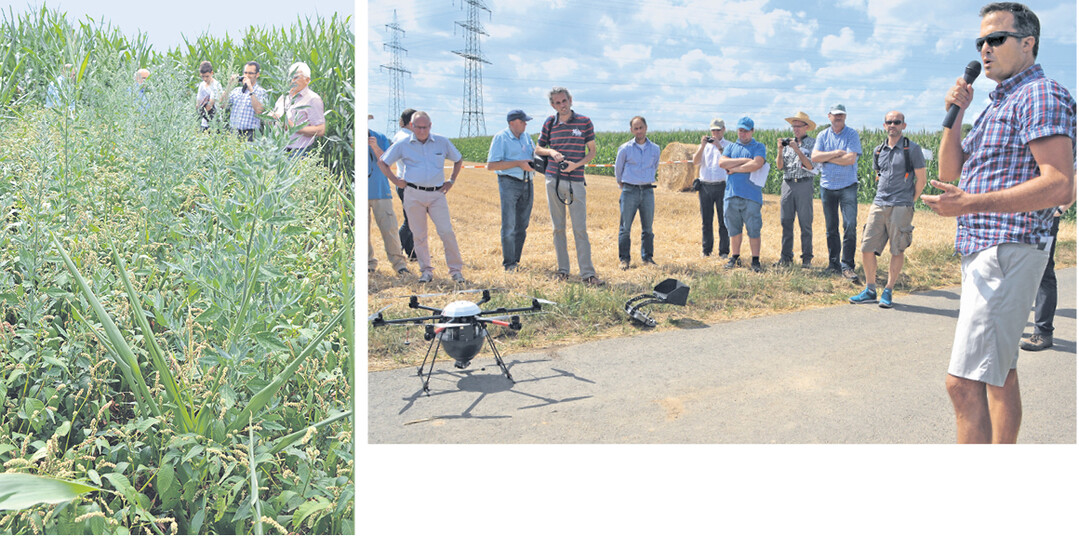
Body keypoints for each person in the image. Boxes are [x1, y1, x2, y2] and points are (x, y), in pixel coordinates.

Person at [922, 1, 1075, 443]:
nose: (985, 49)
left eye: (996, 39)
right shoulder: (996, 103)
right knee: (997, 374)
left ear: (1028, 44)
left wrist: (970, 206)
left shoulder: (1039, 94)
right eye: (980, 42)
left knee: (962, 383)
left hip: (1009, 246)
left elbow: (1060, 183)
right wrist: (956, 115)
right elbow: (951, 171)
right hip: (987, 248)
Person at [377, 111, 468, 284]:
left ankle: (456, 271)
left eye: (425, 127)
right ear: (411, 126)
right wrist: (395, 180)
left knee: (446, 232)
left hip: (437, 194)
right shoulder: (403, 144)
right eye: (418, 127)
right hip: (413, 194)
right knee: (419, 235)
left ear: (430, 126)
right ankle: (426, 271)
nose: (421, 131)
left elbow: (458, 159)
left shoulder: (442, 142)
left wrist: (451, 181)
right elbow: (383, 162)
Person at [849, 111, 927, 308]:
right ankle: (870, 290)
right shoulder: (878, 150)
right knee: (867, 247)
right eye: (889, 122)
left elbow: (922, 179)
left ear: (904, 125)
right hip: (879, 202)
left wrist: (910, 201)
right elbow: (878, 174)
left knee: (897, 248)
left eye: (897, 122)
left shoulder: (912, 149)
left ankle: (889, 290)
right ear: (884, 126)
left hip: (901, 205)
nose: (893, 125)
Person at [534, 87, 604, 286]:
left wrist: (576, 165)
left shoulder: (584, 122)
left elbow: (592, 152)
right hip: (553, 179)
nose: (562, 105)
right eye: (557, 103)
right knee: (558, 228)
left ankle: (587, 274)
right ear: (552, 105)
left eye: (564, 101)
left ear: (570, 100)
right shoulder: (549, 122)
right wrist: (552, 152)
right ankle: (563, 271)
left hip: (576, 180)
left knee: (580, 229)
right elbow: (538, 148)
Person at [812, 104, 862, 281]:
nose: (838, 117)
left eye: (841, 115)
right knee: (831, 228)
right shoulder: (822, 135)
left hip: (847, 186)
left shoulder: (852, 134)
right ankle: (833, 264)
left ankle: (847, 265)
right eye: (835, 115)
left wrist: (827, 158)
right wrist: (835, 154)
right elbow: (815, 157)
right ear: (829, 116)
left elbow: (850, 160)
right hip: (827, 187)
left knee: (849, 226)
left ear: (845, 117)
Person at [486, 109, 537, 272]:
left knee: (522, 225)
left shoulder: (527, 137)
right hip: (509, 183)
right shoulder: (501, 138)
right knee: (509, 225)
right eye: (523, 121)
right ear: (513, 122)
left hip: (528, 182)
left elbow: (534, 155)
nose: (525, 124)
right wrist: (518, 163)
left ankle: (516, 260)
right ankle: (509, 264)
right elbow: (491, 165)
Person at [717, 117, 768, 273]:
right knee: (733, 228)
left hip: (751, 196)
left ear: (752, 131)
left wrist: (734, 168)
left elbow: (757, 164)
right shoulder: (731, 147)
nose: (743, 134)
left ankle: (755, 259)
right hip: (732, 194)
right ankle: (735, 256)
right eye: (740, 130)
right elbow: (722, 163)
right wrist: (744, 160)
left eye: (746, 131)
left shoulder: (759, 147)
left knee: (753, 228)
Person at [1020, 202, 1071, 351]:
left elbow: (1075, 181)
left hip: (1045, 222)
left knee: (1044, 272)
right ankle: (1011, 326)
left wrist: (1061, 209)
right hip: (1020, 218)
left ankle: (1043, 333)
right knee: (1016, 270)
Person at [614, 116, 661, 270]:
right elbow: (618, 169)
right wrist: (624, 184)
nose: (639, 131)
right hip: (629, 191)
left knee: (648, 228)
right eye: (636, 128)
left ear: (646, 127)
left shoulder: (655, 149)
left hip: (647, 191)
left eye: (641, 127)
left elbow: (654, 166)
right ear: (631, 130)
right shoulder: (625, 148)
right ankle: (624, 260)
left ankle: (647, 258)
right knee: (625, 228)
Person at [775, 111, 819, 268]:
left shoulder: (813, 144)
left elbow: (810, 166)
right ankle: (786, 257)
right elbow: (780, 167)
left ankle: (807, 259)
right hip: (787, 183)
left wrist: (798, 150)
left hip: (804, 183)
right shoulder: (788, 144)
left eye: (798, 126)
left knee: (805, 222)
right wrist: (780, 150)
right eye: (793, 126)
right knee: (786, 221)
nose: (795, 129)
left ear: (806, 127)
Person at [368, 116, 410, 276]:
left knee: (390, 229)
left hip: (380, 191)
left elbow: (388, 161)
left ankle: (399, 265)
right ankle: (368, 265)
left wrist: (375, 147)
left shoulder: (380, 138)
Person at [692, 118, 731, 258]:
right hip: (705, 186)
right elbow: (695, 162)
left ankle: (724, 251)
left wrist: (719, 146)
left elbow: (729, 163)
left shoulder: (729, 146)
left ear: (724, 130)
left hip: (722, 186)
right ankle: (706, 250)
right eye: (713, 130)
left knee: (724, 221)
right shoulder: (704, 147)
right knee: (706, 221)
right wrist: (702, 146)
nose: (715, 133)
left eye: (718, 130)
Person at [270, 62, 325, 158]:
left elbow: (320, 130)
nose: (292, 81)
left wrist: (293, 127)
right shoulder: (285, 96)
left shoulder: (313, 99)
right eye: (290, 77)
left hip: (297, 153)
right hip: (278, 149)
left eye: (295, 77)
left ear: (307, 80)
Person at [392, 108, 417, 261]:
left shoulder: (399, 135)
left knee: (411, 220)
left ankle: (413, 253)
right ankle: (395, 249)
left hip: (402, 181)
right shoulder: (408, 138)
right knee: (411, 221)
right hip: (409, 183)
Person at [220, 61, 267, 141]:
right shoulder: (236, 91)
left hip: (250, 134)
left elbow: (259, 111)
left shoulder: (261, 92)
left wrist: (250, 89)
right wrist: (230, 84)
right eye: (245, 73)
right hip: (233, 133)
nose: (247, 76)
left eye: (250, 73)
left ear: (257, 75)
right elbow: (222, 104)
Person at [196, 61, 222, 131]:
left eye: (207, 76)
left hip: (215, 121)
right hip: (204, 122)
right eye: (202, 76)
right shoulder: (202, 85)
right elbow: (198, 102)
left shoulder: (216, 85)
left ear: (212, 73)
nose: (205, 79)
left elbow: (210, 104)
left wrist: (201, 111)